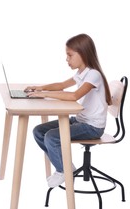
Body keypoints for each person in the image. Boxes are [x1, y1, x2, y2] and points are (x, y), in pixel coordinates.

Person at [25, 33, 112, 188]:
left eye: (70, 55)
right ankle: (66, 166)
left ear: (83, 53)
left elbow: (74, 96)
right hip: (81, 120)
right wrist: (40, 88)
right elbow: (61, 85)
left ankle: (62, 170)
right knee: (38, 132)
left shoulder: (93, 75)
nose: (67, 59)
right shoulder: (81, 73)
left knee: (52, 137)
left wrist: (43, 94)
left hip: (92, 127)